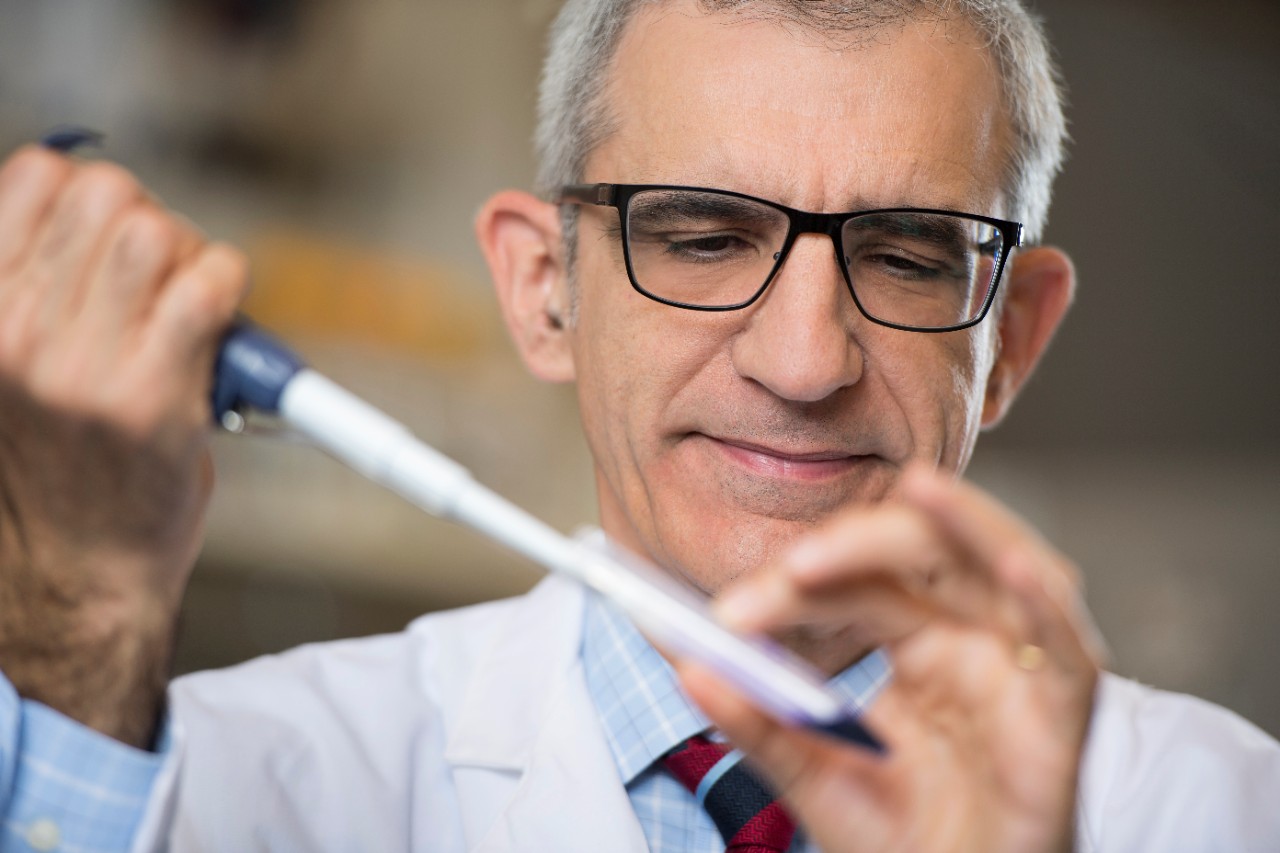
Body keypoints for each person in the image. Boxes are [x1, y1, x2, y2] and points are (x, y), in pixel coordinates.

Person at [0, 0, 1277, 850]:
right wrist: (86, 608)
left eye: (902, 257)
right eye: (705, 237)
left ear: (1011, 340)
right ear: (542, 292)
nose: (802, 360)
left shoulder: (1219, 809)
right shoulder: (225, 778)